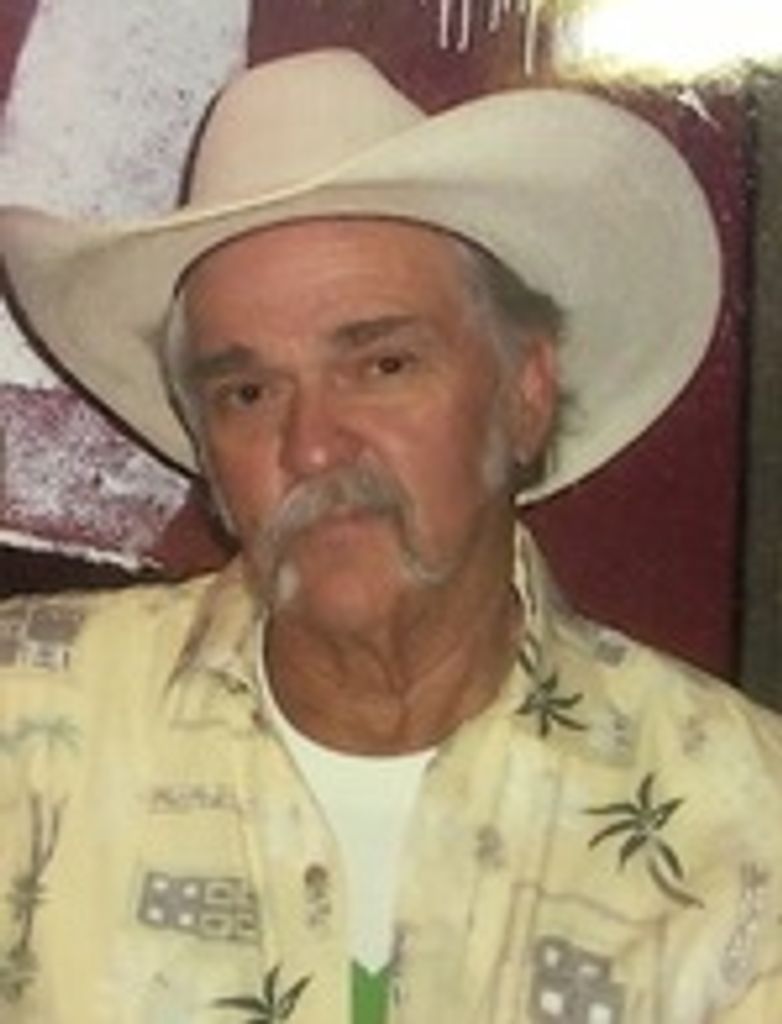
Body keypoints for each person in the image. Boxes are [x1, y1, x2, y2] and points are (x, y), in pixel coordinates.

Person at [1, 48, 780, 1024]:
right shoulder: (28, 728)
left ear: (525, 393)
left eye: (381, 366)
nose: (313, 446)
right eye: (248, 392)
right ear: (206, 446)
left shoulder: (742, 824)